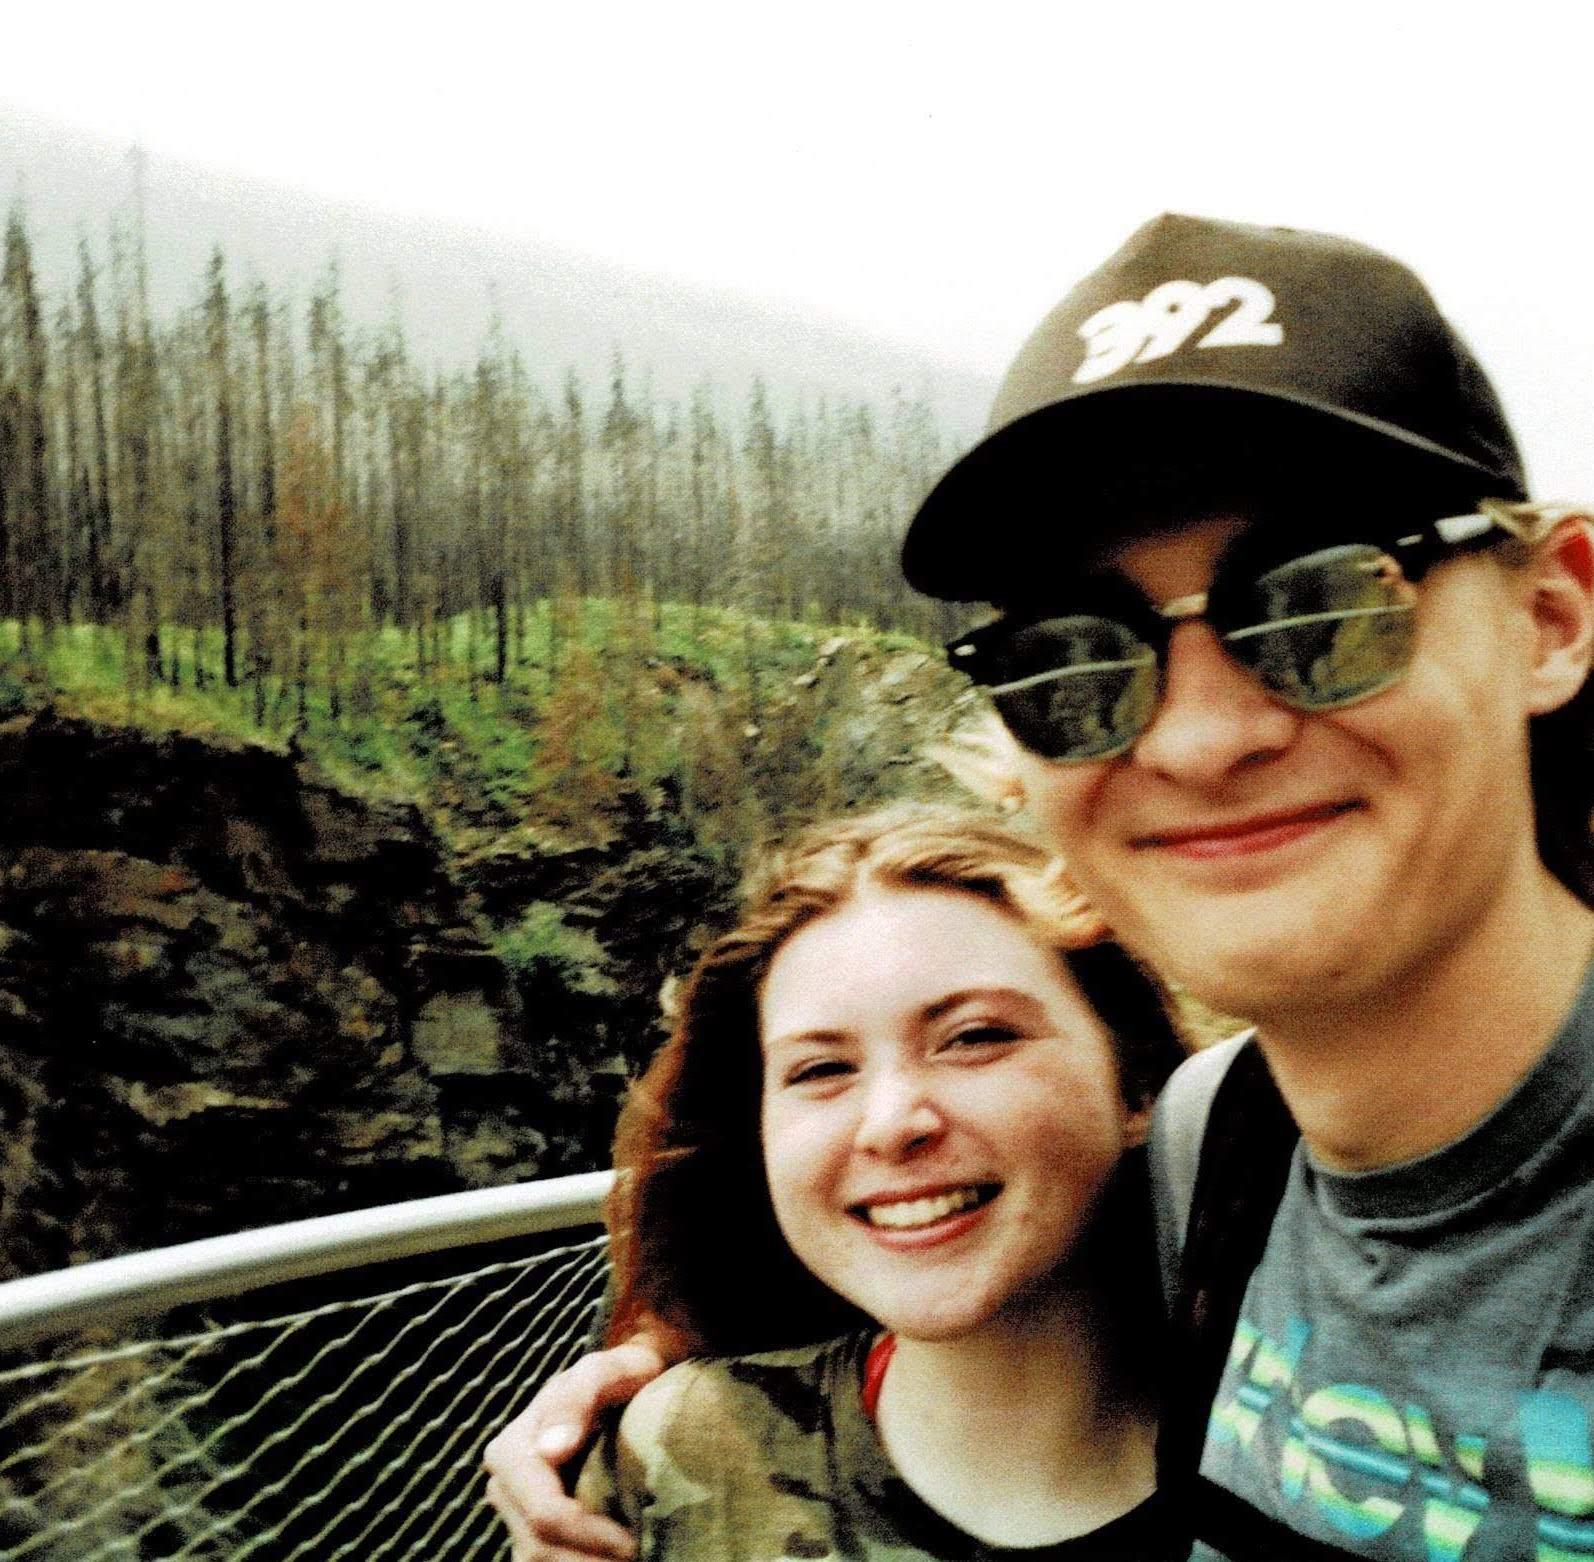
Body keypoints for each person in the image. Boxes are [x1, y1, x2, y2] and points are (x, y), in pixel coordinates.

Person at [485, 213, 1594, 1562]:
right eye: (1074, 662)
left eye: (1319, 606)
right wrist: (662, 1403)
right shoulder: (1216, 1148)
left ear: (1549, 617)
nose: (1197, 737)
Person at [550, 804, 1188, 1558]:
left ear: (1138, 1084)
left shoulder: (1295, 1470)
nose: (889, 1124)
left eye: (974, 1037)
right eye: (821, 1069)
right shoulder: (676, 1455)